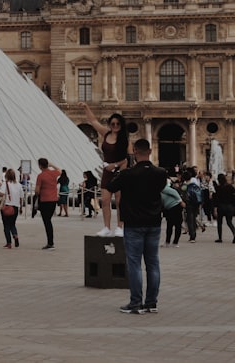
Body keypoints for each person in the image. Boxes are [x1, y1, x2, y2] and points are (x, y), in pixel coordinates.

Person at [107, 138, 167, 314]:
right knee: (153, 263)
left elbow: (110, 187)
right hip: (154, 223)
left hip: (133, 224)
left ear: (134, 152)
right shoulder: (161, 173)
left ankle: (135, 303)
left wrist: (116, 168)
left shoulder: (127, 174)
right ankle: (151, 303)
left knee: (134, 264)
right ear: (149, 151)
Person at [82, 103, 130, 236]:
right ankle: (106, 227)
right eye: (112, 123)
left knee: (120, 202)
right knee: (105, 201)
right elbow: (93, 121)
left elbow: (127, 158)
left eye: (117, 124)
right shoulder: (106, 133)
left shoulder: (124, 139)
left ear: (121, 125)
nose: (114, 126)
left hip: (120, 172)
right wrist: (86, 107)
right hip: (107, 172)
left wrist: (114, 165)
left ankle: (120, 227)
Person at [34, 158, 59, 249]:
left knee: (47, 221)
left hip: (45, 200)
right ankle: (50, 242)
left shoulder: (41, 176)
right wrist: (51, 165)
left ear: (40, 165)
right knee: (48, 220)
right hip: (53, 200)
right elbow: (60, 170)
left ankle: (50, 243)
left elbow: (37, 191)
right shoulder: (54, 173)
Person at [0, 168, 23, 248]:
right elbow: (21, 197)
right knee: (12, 224)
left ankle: (9, 243)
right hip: (15, 207)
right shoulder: (19, 185)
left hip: (7, 206)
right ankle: (15, 235)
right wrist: (21, 207)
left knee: (6, 225)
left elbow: (1, 193)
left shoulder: (6, 183)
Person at [160, 178, 184, 247]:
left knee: (177, 225)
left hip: (175, 206)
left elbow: (174, 192)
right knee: (169, 225)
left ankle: (175, 242)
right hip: (169, 208)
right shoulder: (160, 189)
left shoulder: (164, 188)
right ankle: (167, 242)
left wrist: (180, 201)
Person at [213, 173, 235, 243]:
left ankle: (220, 238)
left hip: (221, 206)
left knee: (219, 223)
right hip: (230, 207)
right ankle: (234, 234)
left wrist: (215, 208)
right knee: (229, 222)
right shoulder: (230, 187)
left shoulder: (218, 188)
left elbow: (216, 199)